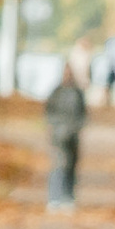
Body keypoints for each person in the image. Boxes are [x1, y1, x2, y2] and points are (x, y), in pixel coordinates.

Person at [43, 61, 87, 210]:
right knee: (58, 165)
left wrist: (76, 128)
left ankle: (68, 198)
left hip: (72, 135)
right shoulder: (56, 92)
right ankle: (54, 198)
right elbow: (49, 112)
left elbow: (83, 114)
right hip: (58, 136)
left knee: (71, 167)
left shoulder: (77, 92)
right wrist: (55, 128)